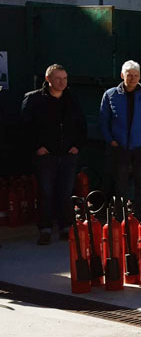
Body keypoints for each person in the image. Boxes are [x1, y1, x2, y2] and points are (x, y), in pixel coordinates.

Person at [22, 64, 86, 244]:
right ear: (48, 79)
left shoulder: (72, 99)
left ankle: (66, 227)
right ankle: (45, 229)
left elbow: (81, 125)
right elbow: (26, 128)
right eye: (58, 78)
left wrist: (77, 146)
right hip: (45, 155)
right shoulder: (34, 100)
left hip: (68, 154)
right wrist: (37, 147)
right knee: (46, 192)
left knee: (65, 192)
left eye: (65, 78)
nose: (62, 82)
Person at [99, 60, 141, 209]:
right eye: (129, 75)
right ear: (122, 75)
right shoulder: (110, 95)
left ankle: (139, 216)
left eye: (136, 75)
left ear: (140, 77)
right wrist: (111, 140)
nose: (133, 78)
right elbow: (103, 120)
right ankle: (122, 218)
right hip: (119, 148)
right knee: (120, 185)